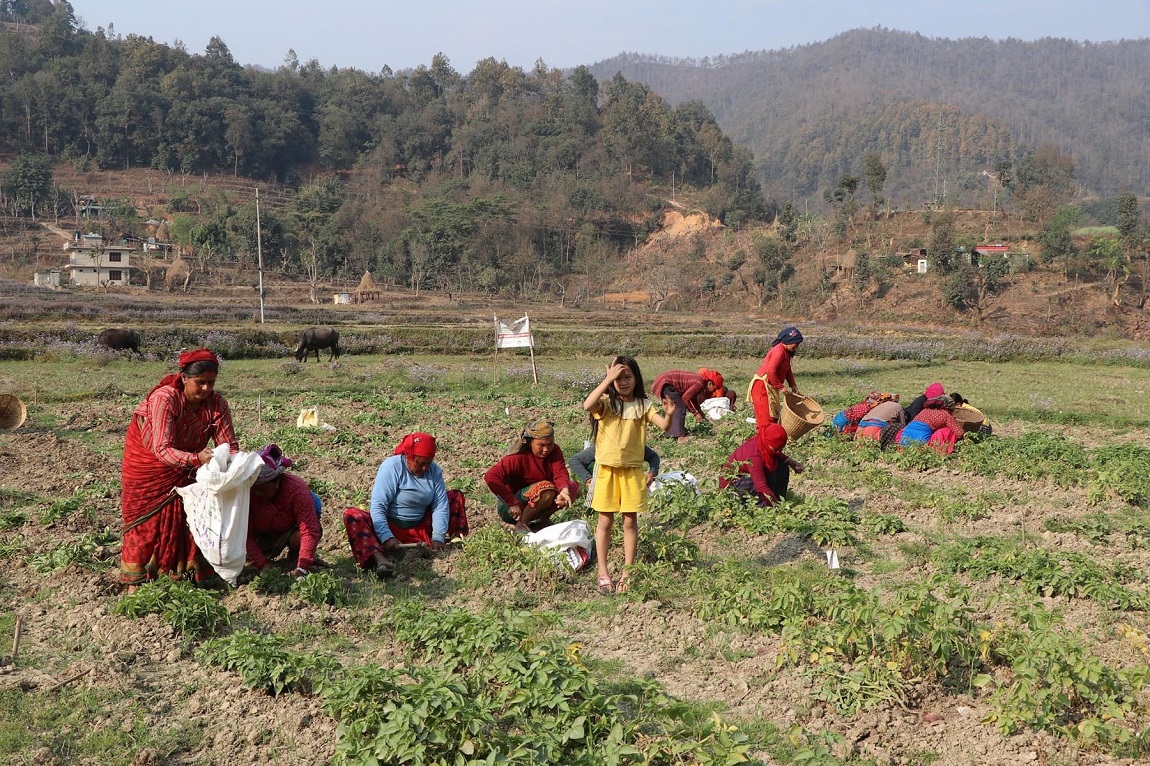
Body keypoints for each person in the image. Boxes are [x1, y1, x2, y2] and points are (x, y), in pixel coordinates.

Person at [120, 348, 237, 587]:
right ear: (184, 378)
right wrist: (196, 459)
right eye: (200, 382)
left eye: (211, 383)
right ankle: (137, 582)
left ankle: (187, 575)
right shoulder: (165, 399)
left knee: (192, 516)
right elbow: (162, 449)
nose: (206, 388)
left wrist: (236, 463)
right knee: (147, 523)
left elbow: (230, 445)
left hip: (189, 465)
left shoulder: (217, 404)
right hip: (149, 466)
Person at [583, 356, 675, 594]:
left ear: (636, 379)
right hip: (606, 470)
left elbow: (664, 426)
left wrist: (669, 414)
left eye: (628, 377)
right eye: (618, 378)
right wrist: (607, 380)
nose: (623, 382)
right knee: (605, 521)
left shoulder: (643, 406)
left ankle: (627, 573)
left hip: (632, 471)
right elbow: (587, 404)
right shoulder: (606, 404)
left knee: (630, 522)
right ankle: (603, 572)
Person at [342, 433, 468, 578]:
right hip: (390, 527)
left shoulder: (434, 471)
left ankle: (452, 547)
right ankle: (380, 559)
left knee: (455, 497)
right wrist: (386, 536)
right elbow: (378, 506)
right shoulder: (392, 467)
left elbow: (440, 505)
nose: (425, 468)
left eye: (428, 463)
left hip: (421, 527)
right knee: (352, 515)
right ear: (409, 456)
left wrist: (438, 537)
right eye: (420, 463)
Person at [484, 419, 580, 532]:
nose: (546, 449)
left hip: (538, 501)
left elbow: (560, 472)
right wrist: (512, 503)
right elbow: (490, 477)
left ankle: (542, 521)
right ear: (530, 443)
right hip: (511, 507)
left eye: (550, 444)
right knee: (546, 488)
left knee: (574, 488)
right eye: (541, 445)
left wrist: (564, 491)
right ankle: (522, 525)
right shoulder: (517, 458)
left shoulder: (555, 451)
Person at [246, 444, 323, 578]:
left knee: (298, 538)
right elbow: (245, 535)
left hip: (288, 529)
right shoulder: (247, 495)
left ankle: (298, 556)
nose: (257, 493)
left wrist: (303, 567)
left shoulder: (296, 491)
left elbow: (309, 530)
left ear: (276, 483)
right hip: (263, 533)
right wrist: (262, 563)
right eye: (254, 488)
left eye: (262, 490)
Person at [719, 424, 803, 506]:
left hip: (747, 477)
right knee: (758, 484)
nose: (779, 452)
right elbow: (761, 487)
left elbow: (776, 453)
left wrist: (791, 462)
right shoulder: (754, 455)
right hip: (732, 486)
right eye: (776, 449)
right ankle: (764, 507)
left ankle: (779, 499)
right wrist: (778, 508)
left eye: (781, 449)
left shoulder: (763, 441)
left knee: (782, 466)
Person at [748, 326, 803, 428]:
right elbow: (771, 371)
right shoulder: (779, 351)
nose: (797, 346)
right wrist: (781, 387)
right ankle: (764, 437)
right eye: (796, 343)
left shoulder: (786, 352)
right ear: (788, 341)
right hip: (762, 387)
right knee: (766, 420)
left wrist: (793, 385)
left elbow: (787, 369)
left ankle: (770, 437)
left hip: (771, 386)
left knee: (773, 417)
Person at [568, 442, 661, 498]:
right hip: (603, 483)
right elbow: (574, 461)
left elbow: (653, 457)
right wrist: (588, 479)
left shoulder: (634, 444)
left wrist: (652, 473)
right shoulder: (603, 446)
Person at [649, 369, 715, 444]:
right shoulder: (700, 384)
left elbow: (692, 398)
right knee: (680, 407)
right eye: (714, 389)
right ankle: (680, 437)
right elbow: (685, 398)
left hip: (664, 381)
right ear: (710, 384)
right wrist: (695, 413)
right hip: (667, 383)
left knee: (671, 408)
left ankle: (670, 433)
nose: (713, 392)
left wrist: (699, 411)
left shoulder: (699, 382)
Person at [897, 394, 964, 454]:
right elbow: (959, 433)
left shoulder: (925, 410)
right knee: (948, 430)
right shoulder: (945, 414)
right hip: (920, 442)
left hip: (904, 439)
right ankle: (940, 452)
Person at [832, 391, 899, 437]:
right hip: (843, 420)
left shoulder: (865, 405)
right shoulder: (865, 409)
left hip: (841, 417)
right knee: (838, 435)